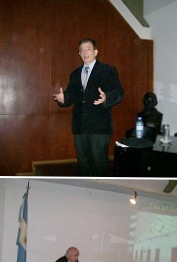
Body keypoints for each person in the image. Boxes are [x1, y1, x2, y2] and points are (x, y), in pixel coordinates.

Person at [53, 38, 124, 177]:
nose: (84, 52)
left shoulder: (107, 70)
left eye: (88, 49)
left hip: (99, 128)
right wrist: (63, 99)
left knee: (100, 165)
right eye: (82, 50)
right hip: (80, 128)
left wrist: (107, 97)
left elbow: (119, 92)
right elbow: (71, 96)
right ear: (79, 54)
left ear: (95, 52)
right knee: (83, 165)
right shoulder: (75, 74)